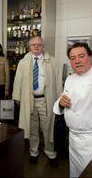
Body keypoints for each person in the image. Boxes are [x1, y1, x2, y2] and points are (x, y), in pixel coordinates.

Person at [53, 42, 92, 177]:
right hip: (74, 141)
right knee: (77, 174)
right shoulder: (70, 78)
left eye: (81, 56)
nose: (77, 61)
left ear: (90, 57)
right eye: (72, 58)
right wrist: (61, 102)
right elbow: (60, 102)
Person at [12, 36, 61, 166]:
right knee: (32, 128)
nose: (36, 47)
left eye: (39, 44)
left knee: (48, 128)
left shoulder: (53, 61)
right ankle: (33, 152)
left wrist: (59, 100)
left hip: (46, 100)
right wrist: (16, 97)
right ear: (30, 47)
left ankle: (50, 153)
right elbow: (18, 81)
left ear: (43, 46)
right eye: (34, 45)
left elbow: (58, 82)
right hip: (29, 100)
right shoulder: (23, 62)